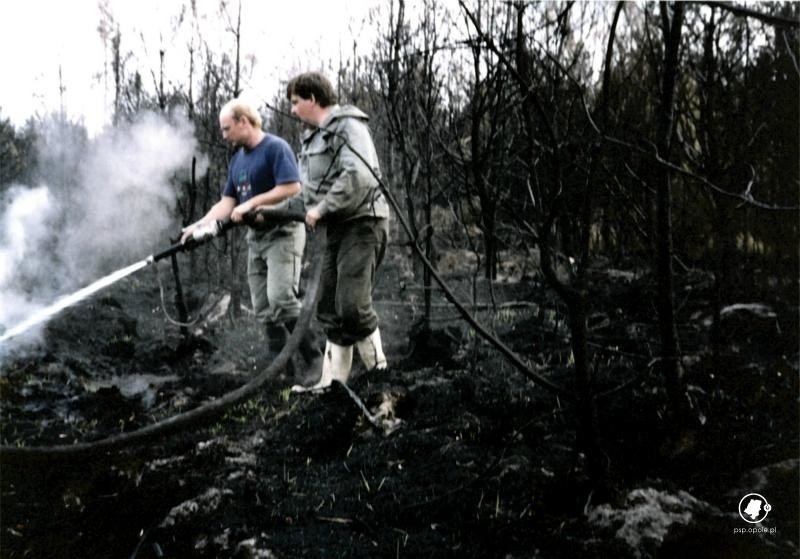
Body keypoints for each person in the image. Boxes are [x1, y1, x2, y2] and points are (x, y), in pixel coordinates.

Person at [181, 97, 321, 376]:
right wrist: (198, 225)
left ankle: (316, 358)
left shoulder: (275, 148)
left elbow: (292, 187)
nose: (224, 135)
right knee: (263, 307)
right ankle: (283, 370)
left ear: (243, 122)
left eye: (226, 128)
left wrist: (252, 203)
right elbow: (227, 203)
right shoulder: (237, 161)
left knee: (281, 299)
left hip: (283, 234)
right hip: (256, 240)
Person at [286, 72, 390, 392]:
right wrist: (265, 213)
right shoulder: (314, 138)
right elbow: (309, 193)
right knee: (329, 308)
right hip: (337, 229)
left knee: (352, 306)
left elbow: (358, 175)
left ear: (312, 99)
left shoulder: (348, 126)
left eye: (295, 102)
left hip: (363, 223)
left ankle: (382, 382)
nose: (292, 110)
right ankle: (333, 384)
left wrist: (320, 209)